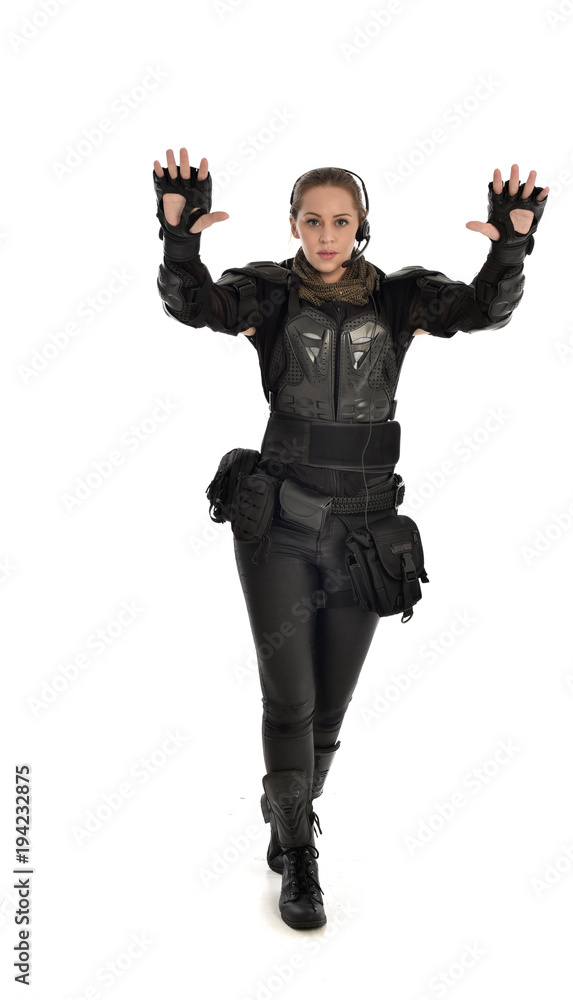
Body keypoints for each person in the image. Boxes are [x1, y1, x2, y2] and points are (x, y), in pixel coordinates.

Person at [152, 148, 549, 930]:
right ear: (292, 224)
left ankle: (289, 808)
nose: (325, 235)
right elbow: (197, 306)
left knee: (330, 705)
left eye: (340, 221)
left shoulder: (402, 298)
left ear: (361, 226)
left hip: (366, 526)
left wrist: (509, 247)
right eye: (311, 220)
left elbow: (481, 311)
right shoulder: (266, 291)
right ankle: (300, 853)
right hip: (278, 520)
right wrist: (177, 239)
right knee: (289, 696)